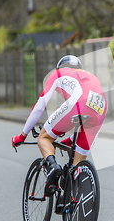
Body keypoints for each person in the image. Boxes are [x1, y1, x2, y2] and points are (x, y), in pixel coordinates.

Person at [11, 55, 107, 196]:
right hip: (101, 110)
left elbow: (40, 106)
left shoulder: (56, 74)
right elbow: (89, 112)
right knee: (76, 166)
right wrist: (72, 139)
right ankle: (72, 202)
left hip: (78, 102)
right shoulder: (91, 76)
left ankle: (53, 167)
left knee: (44, 138)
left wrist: (22, 135)